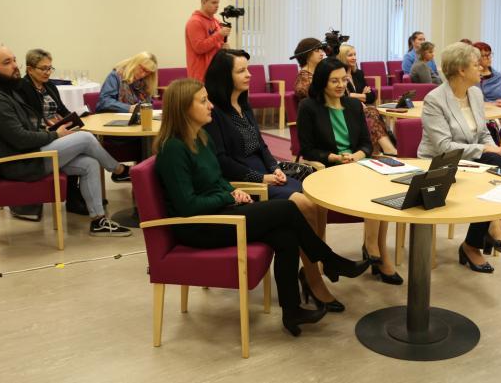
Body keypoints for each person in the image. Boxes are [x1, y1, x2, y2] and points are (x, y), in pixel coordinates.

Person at [154, 78, 368, 336]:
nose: (211, 105)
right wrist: (227, 197)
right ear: (183, 109)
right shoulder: (173, 149)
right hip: (199, 227)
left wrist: (231, 190)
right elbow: (188, 206)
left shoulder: (200, 137)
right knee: (287, 209)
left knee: (286, 237)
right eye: (203, 101)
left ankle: (292, 311)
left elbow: (215, 180)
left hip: (218, 214)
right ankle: (329, 260)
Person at [203, 49, 345, 311]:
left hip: (266, 173)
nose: (249, 74)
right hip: (244, 180)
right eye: (241, 71)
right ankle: (314, 278)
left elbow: (261, 145)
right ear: (224, 76)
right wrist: (261, 177)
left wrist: (274, 167)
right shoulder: (215, 112)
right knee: (305, 204)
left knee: (317, 201)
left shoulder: (242, 104)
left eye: (248, 69)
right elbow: (222, 161)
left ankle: (315, 266)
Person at [0, 46, 131, 235]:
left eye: (14, 60)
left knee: (90, 163)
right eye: (7, 62)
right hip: (22, 163)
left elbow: (25, 128)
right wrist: (56, 134)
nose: (15, 66)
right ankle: (119, 170)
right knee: (86, 138)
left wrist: (48, 130)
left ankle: (98, 221)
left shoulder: (5, 91)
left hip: (30, 154)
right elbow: (20, 139)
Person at [298, 57, 403, 285]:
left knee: (382, 185)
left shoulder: (354, 106)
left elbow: (366, 143)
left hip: (356, 164)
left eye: (344, 80)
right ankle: (373, 252)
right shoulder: (308, 107)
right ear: (322, 82)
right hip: (327, 169)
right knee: (371, 185)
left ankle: (375, 247)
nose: (340, 85)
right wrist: (334, 157)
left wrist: (356, 156)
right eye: (334, 81)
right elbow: (307, 149)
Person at [418, 42, 501, 274]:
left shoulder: (476, 94)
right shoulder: (434, 99)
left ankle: (473, 243)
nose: (481, 68)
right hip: (439, 162)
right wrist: (484, 149)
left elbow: (483, 133)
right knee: (492, 170)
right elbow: (443, 147)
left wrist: (496, 149)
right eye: (475, 64)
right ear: (461, 70)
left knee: (496, 162)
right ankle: (492, 225)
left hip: (468, 159)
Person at [17, 48, 128, 217]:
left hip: (57, 131)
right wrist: (54, 128)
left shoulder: (49, 86)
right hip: (43, 137)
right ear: (30, 69)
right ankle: (118, 170)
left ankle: (93, 212)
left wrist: (75, 118)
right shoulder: (23, 88)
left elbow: (62, 109)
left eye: (50, 68)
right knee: (86, 139)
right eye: (43, 68)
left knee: (89, 157)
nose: (48, 72)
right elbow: (32, 120)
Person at [337, 44, 398, 156]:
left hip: (360, 108)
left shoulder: (358, 74)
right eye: (350, 55)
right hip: (346, 110)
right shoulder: (339, 76)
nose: (354, 58)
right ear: (342, 57)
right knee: (372, 111)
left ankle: (381, 150)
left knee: (372, 111)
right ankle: (387, 149)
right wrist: (361, 95)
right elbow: (342, 97)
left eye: (355, 54)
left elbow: (371, 96)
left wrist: (353, 95)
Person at [185, 0, 231, 82]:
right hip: (200, 76)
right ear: (203, 2)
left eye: (218, 3)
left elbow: (215, 44)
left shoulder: (216, 21)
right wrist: (219, 35)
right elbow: (199, 48)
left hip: (215, 73)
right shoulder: (195, 22)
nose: (217, 6)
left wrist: (223, 47)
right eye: (214, 3)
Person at [474, 41, 501, 145]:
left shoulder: (497, 75)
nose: (488, 58)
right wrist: (492, 104)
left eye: (489, 54)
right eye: (484, 55)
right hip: (478, 112)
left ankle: (497, 147)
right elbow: (472, 101)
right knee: (491, 125)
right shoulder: (472, 77)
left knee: (495, 123)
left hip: (496, 110)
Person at [292, 37, 325, 106]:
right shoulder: (304, 77)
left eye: (321, 50)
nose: (322, 54)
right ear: (306, 53)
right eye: (317, 50)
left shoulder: (318, 72)